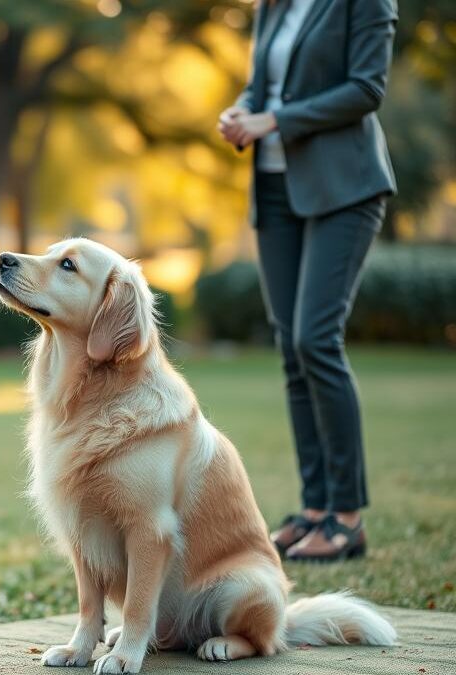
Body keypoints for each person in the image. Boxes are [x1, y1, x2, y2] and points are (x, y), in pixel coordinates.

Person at [218, 0, 398, 562]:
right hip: (274, 190)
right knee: (291, 351)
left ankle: (347, 517)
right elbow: (261, 88)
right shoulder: (273, 4)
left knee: (315, 340)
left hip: (344, 190)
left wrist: (273, 120)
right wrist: (242, 110)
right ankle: (315, 509)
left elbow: (366, 89)